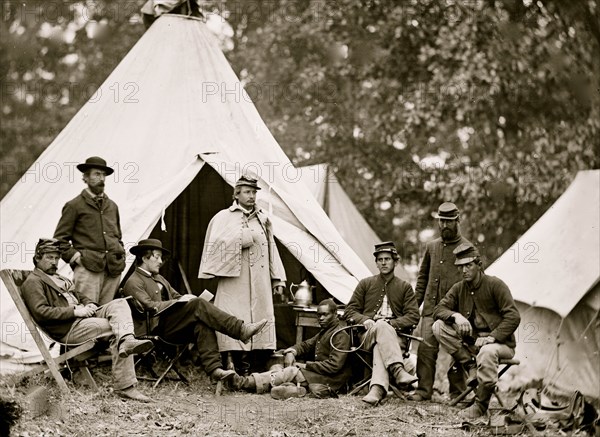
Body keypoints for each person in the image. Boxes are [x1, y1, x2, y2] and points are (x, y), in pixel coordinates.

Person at [21, 239, 154, 402]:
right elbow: (41, 312)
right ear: (37, 258)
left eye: (56, 258)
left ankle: (127, 340)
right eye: (49, 257)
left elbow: (78, 295)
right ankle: (126, 386)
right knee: (116, 328)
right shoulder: (33, 282)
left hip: (83, 318)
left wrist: (89, 303)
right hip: (69, 328)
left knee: (120, 303)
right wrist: (76, 311)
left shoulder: (58, 277)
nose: (54, 262)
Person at [122, 239, 269, 383]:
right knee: (198, 305)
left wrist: (186, 299)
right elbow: (150, 307)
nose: (161, 261)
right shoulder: (134, 281)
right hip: (155, 329)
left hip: (170, 326)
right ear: (144, 257)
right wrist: (182, 302)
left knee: (202, 322)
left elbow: (176, 296)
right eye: (157, 256)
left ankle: (215, 370)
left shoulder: (159, 278)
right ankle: (240, 329)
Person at [198, 175, 286, 371]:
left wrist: (277, 278)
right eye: (247, 192)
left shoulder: (263, 219)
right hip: (235, 282)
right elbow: (215, 248)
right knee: (235, 319)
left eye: (254, 192)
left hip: (260, 281)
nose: (252, 196)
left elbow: (272, 248)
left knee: (260, 320)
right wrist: (243, 237)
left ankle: (256, 368)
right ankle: (235, 366)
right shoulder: (223, 217)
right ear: (236, 194)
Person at [433, 243, 520, 419]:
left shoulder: (495, 285)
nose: (464, 270)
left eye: (468, 265)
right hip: (473, 346)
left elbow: (513, 317)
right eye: (461, 266)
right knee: (438, 327)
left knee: (487, 352)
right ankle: (470, 366)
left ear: (479, 264)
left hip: (500, 345)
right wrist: (456, 316)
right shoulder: (459, 288)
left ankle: (480, 405)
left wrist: (492, 338)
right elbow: (438, 310)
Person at [409, 202, 473, 402]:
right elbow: (422, 280)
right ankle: (423, 390)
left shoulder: (468, 248)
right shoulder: (432, 247)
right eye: (441, 221)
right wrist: (413, 308)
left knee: (457, 352)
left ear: (457, 221)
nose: (444, 225)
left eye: (449, 221)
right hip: (430, 310)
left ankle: (458, 393)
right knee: (426, 350)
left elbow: (474, 285)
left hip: (455, 313)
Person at [344, 242, 420, 406]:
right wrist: (365, 320)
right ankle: (398, 371)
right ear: (376, 263)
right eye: (380, 260)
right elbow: (349, 311)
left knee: (382, 336)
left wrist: (391, 324)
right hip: (367, 337)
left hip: (396, 339)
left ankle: (377, 389)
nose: (383, 262)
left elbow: (414, 316)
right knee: (380, 326)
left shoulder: (404, 287)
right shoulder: (365, 284)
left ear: (395, 262)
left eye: (387, 259)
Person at [234, 299, 352, 399]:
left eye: (325, 315)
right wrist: (292, 351)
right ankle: (294, 388)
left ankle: (244, 383)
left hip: (330, 379)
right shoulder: (325, 331)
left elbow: (334, 366)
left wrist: (305, 365)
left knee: (290, 371)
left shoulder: (340, 335)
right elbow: (305, 345)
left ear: (335, 314)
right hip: (318, 373)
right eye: (319, 315)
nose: (320, 318)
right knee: (278, 366)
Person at [54, 156, 125, 306]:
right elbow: (59, 240)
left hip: (113, 270)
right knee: (88, 313)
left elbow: (117, 236)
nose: (101, 179)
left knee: (107, 314)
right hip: (88, 270)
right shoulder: (74, 206)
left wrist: (120, 254)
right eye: (97, 174)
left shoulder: (112, 206)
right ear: (85, 177)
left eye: (103, 175)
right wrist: (77, 259)